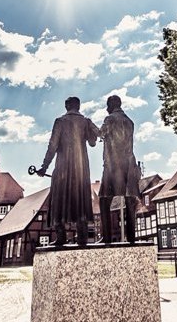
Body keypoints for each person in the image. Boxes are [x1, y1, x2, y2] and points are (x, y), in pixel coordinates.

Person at [36, 96, 99, 246]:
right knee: (81, 199)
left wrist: (44, 166)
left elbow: (52, 146)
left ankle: (61, 237)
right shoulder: (86, 122)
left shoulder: (60, 121)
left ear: (66, 106)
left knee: (58, 199)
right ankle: (82, 238)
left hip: (63, 167)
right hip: (81, 168)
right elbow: (92, 143)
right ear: (78, 106)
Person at [97, 95, 141, 243]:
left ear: (111, 104)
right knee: (129, 201)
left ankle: (107, 238)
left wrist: (90, 127)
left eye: (107, 105)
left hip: (113, 165)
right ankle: (131, 238)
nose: (106, 108)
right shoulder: (129, 121)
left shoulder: (110, 119)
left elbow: (100, 134)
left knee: (103, 200)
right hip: (129, 164)